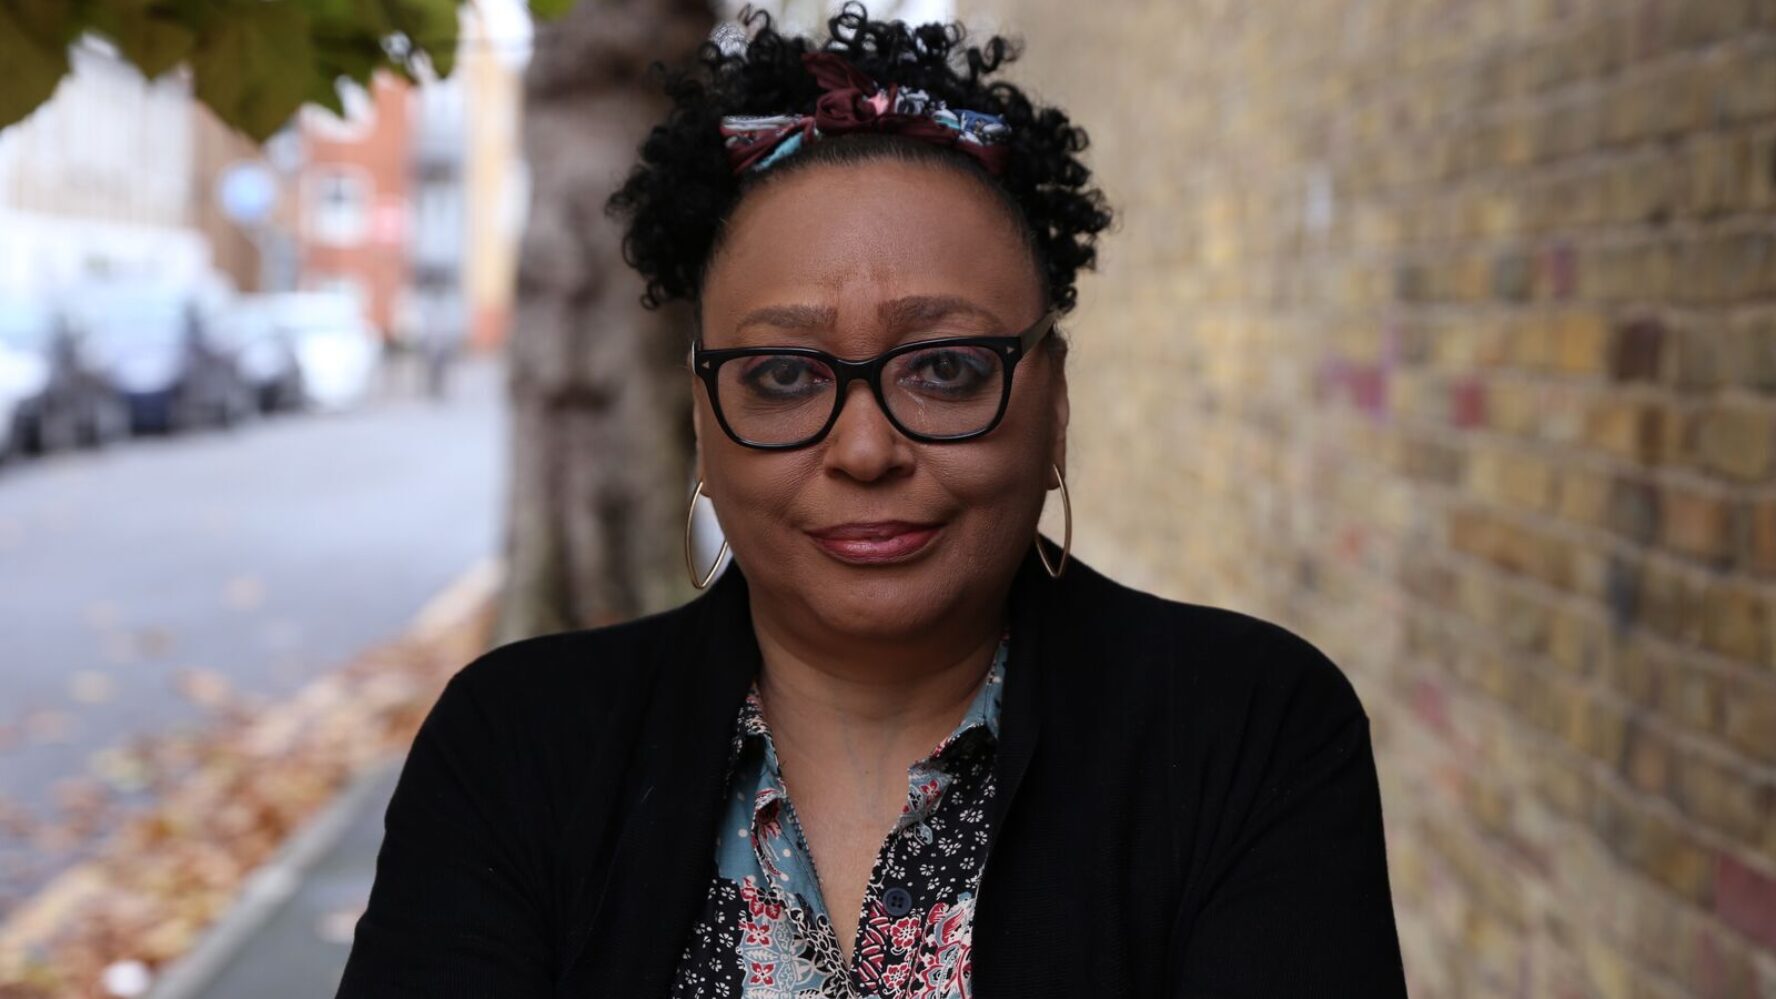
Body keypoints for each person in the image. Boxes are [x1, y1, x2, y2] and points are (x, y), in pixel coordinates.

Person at [336, 5, 1409, 996]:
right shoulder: (516, 750)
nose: (863, 449)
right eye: (784, 374)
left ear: (1055, 404)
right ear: (703, 419)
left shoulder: (1248, 734)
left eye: (944, 368)